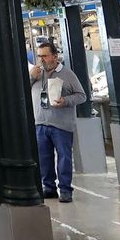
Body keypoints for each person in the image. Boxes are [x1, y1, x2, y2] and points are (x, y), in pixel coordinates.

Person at [30, 41, 86, 203]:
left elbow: (81, 95)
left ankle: (65, 189)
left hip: (61, 125)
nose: (42, 60)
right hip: (40, 123)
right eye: (39, 56)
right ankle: (48, 187)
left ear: (55, 56)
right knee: (44, 158)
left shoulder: (67, 74)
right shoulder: (36, 74)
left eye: (45, 56)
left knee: (64, 158)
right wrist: (30, 77)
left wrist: (66, 100)